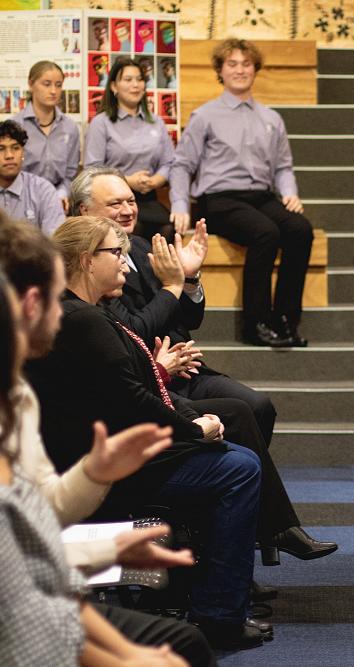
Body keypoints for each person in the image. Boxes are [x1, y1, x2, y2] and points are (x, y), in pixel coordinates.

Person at [24, 215, 268, 650]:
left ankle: (206, 596)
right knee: (239, 468)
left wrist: (192, 422)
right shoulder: (83, 319)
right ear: (87, 260)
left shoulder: (86, 312)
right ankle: (220, 615)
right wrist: (193, 431)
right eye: (116, 253)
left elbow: (143, 388)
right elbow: (132, 401)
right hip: (98, 471)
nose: (125, 262)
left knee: (236, 448)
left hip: (107, 452)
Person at [71, 166, 337, 565]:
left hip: (186, 369)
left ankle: (243, 526)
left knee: (257, 406)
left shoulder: (142, 246)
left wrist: (191, 280)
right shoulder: (88, 264)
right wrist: (172, 287)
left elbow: (189, 319)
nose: (128, 210)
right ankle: (252, 531)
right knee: (236, 420)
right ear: (82, 211)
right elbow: (132, 331)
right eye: (115, 203)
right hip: (150, 377)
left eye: (131, 200)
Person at [0, 214, 216, 666]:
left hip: (38, 598)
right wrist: (122, 659)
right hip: (21, 622)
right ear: (32, 305)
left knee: (184, 643)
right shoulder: (80, 326)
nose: (65, 310)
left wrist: (94, 473)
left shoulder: (18, 397)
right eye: (57, 296)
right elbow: (22, 596)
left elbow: (42, 523)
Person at [169, 38, 312, 348]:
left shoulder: (271, 118)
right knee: (266, 233)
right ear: (220, 70)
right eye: (232, 64)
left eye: (246, 64)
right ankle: (256, 324)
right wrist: (179, 204)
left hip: (261, 196)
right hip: (219, 200)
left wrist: (290, 193)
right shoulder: (205, 115)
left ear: (255, 69)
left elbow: (283, 167)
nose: (240, 70)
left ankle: (285, 320)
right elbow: (182, 164)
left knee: (300, 230)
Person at [85, 58, 175, 241]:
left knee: (168, 227)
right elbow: (92, 169)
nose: (135, 85)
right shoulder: (101, 123)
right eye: (128, 79)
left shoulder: (156, 122)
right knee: (134, 228)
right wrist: (127, 181)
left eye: (139, 79)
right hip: (113, 200)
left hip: (148, 197)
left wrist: (155, 181)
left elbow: (169, 162)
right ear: (114, 86)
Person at [11, 61, 81, 212]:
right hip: (21, 200)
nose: (53, 91)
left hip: (58, 201)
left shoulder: (70, 127)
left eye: (58, 85)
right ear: (31, 84)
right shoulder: (15, 125)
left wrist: (61, 193)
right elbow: (9, 172)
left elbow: (70, 173)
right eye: (47, 84)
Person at [0, 120, 65, 236]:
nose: (9, 155)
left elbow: (55, 242)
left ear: (23, 152)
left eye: (15, 148)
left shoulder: (43, 191)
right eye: (1, 149)